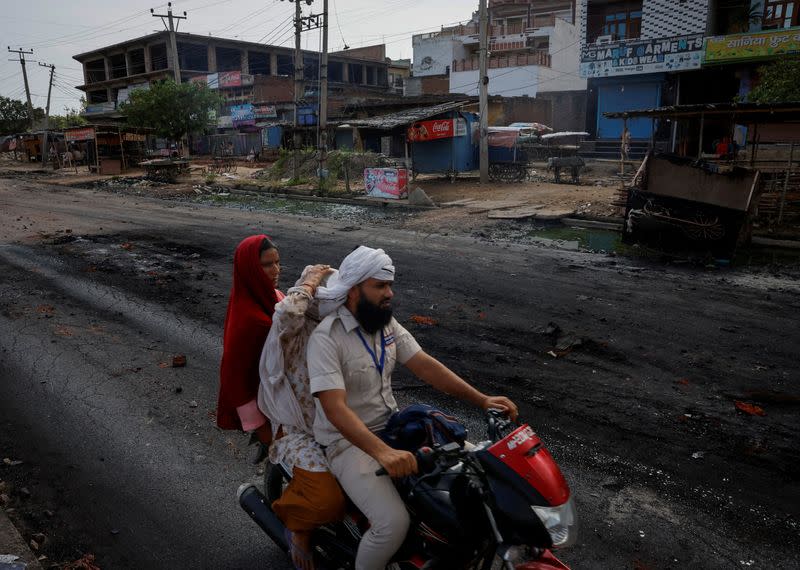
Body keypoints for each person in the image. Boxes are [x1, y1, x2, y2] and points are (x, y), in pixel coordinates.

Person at [308, 246, 518, 570]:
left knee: (481, 468)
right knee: (392, 524)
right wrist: (383, 453)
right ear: (354, 290)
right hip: (346, 444)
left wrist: (483, 400)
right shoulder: (326, 338)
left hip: (392, 426)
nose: (389, 293)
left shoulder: (385, 324)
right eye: (380, 286)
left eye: (390, 285)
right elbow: (335, 410)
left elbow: (425, 366)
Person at [257, 264, 345, 570]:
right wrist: (309, 283)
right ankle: (298, 526)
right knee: (328, 501)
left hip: (342, 424)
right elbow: (288, 314)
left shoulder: (341, 327)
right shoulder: (294, 328)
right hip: (298, 430)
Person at [216, 234, 284, 443]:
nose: (276, 270)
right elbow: (234, 378)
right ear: (250, 269)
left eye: (277, 262)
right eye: (267, 265)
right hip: (268, 410)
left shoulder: (266, 295)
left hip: (279, 399)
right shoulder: (250, 320)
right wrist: (263, 432)